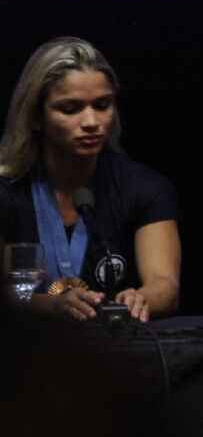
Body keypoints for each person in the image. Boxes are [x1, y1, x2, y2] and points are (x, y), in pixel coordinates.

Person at [0, 36, 181, 322]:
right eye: (70, 109)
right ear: (35, 116)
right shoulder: (7, 191)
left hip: (118, 354)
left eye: (102, 105)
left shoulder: (144, 187)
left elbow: (165, 286)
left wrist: (141, 299)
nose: (91, 122)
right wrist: (48, 306)